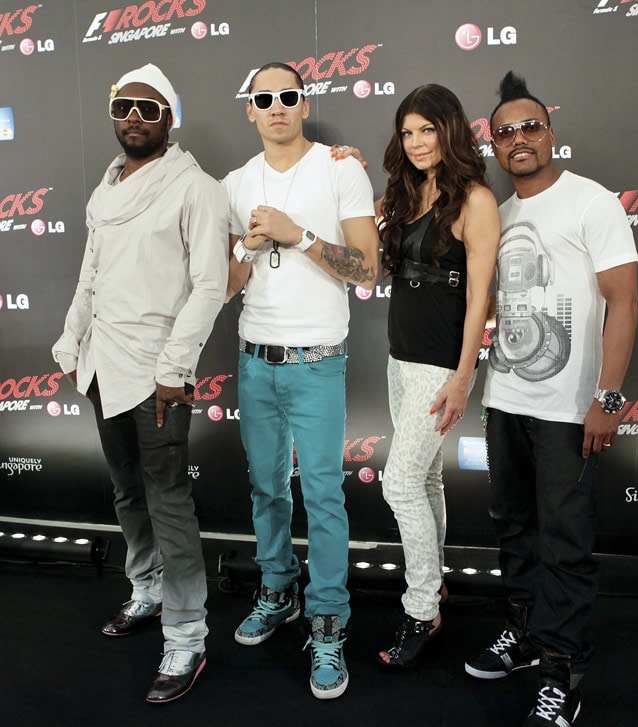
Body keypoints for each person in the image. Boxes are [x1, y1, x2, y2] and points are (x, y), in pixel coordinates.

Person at [465, 71, 638, 726]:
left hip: (570, 408)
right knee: (513, 524)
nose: (518, 139)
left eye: (530, 126)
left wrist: (610, 396)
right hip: (505, 399)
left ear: (551, 132)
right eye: (505, 131)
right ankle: (525, 633)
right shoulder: (498, 215)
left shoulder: (591, 202)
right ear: (493, 144)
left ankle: (563, 666)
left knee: (565, 538)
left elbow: (623, 300)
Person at [51, 63, 229, 703]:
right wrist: (71, 343)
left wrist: (175, 369)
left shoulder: (197, 189)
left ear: (169, 119)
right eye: (124, 105)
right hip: (102, 366)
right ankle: (148, 589)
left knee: (168, 500)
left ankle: (187, 636)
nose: (134, 116)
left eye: (148, 108)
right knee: (128, 492)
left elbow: (210, 286)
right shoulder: (105, 189)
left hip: (159, 378)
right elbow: (89, 274)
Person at [222, 61, 379, 700]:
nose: (278, 106)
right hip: (255, 358)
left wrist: (300, 235)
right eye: (266, 98)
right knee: (265, 487)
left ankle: (328, 619)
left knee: (323, 495)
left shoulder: (341, 167)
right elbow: (228, 283)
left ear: (304, 102)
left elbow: (366, 270)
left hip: (317, 361)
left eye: (289, 95)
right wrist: (245, 249)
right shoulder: (235, 183)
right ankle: (278, 589)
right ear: (251, 110)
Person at [370, 85, 500, 670]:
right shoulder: (407, 192)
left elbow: (479, 300)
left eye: (428, 129)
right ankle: (436, 583)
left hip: (440, 363)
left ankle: (422, 609)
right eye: (408, 132)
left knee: (398, 485)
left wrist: (463, 375)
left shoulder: (475, 199)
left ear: (451, 130)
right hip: (400, 357)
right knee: (423, 483)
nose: (418, 142)